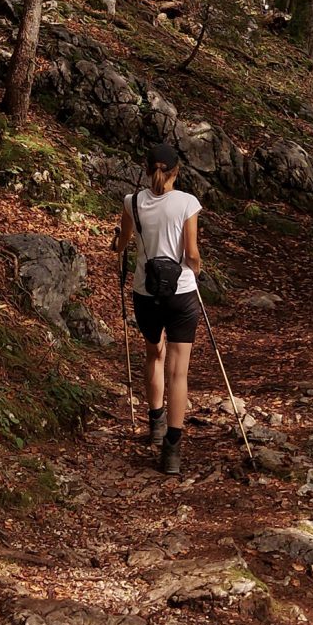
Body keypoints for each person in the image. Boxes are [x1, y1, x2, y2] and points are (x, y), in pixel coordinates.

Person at [110, 143, 203, 474]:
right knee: (178, 372)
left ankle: (156, 424)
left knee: (154, 355)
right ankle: (172, 451)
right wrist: (197, 270)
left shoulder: (132, 202)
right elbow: (191, 254)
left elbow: (121, 244)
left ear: (147, 169)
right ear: (177, 170)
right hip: (182, 294)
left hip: (145, 293)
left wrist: (117, 240)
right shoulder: (187, 203)